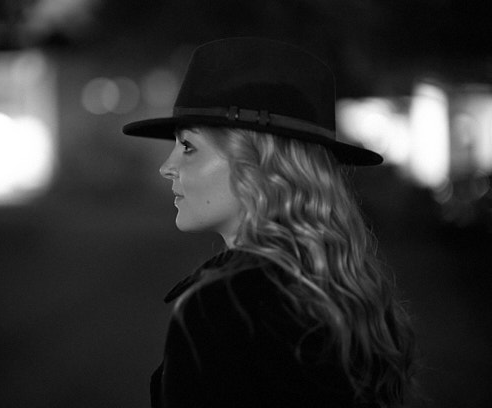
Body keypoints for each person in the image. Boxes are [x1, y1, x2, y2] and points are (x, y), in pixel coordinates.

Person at [123, 37, 416, 408]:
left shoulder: (224, 309)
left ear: (259, 165)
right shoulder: (346, 291)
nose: (168, 167)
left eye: (188, 147)